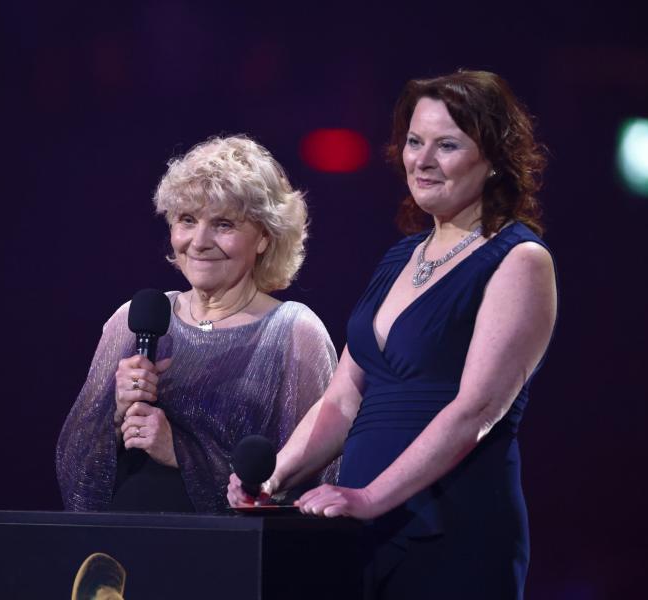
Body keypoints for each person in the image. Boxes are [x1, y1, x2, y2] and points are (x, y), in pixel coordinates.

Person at [228, 70, 557, 598]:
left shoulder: (520, 260)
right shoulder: (400, 257)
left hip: (454, 531)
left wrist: (371, 497)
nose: (421, 160)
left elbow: (475, 410)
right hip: (362, 530)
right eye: (414, 142)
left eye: (446, 145)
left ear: (495, 158)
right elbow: (343, 396)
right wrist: (273, 480)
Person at [58, 135, 337, 514]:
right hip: (128, 548)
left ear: (264, 238)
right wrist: (118, 413)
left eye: (223, 224)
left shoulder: (293, 333)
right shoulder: (131, 320)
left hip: (231, 560)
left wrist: (182, 454)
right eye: (187, 220)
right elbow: (75, 476)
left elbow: (313, 487)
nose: (199, 241)